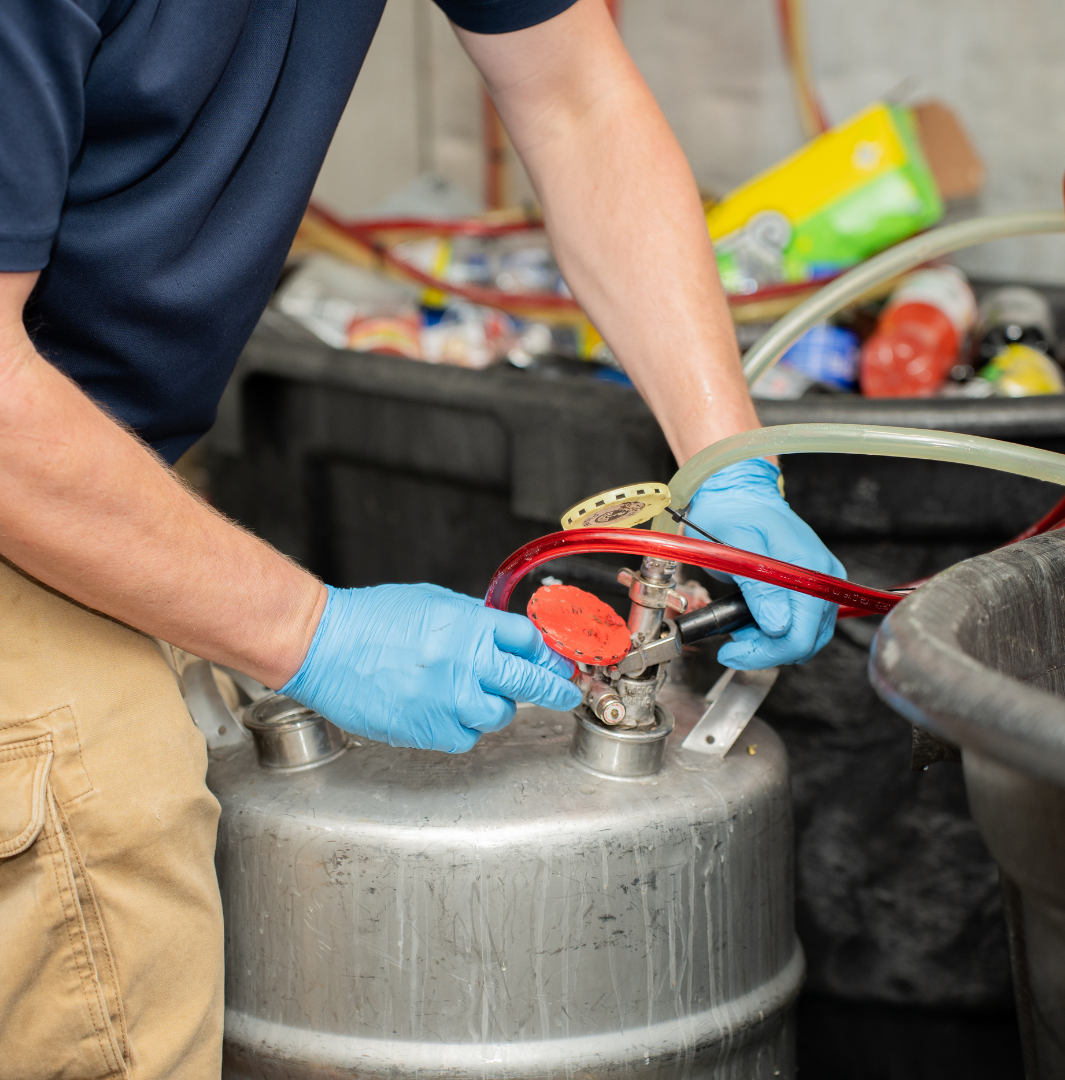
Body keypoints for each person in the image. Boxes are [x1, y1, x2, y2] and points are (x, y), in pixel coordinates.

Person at [0, 0, 844, 1074]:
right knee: (114, 901)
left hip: (87, 446)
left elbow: (573, 94)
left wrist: (730, 460)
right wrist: (311, 633)